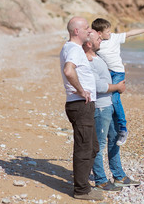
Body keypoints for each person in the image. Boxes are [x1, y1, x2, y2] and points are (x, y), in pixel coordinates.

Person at [83, 30, 141, 191]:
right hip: (101, 107)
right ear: (89, 43)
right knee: (99, 145)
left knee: (115, 139)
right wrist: (117, 87)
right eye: (98, 38)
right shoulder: (88, 61)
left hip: (110, 105)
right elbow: (96, 86)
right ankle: (101, 180)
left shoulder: (97, 57)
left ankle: (119, 176)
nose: (101, 39)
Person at [92, 18, 144, 146]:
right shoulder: (97, 42)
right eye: (107, 31)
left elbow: (130, 33)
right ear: (99, 33)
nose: (110, 32)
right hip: (105, 73)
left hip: (117, 72)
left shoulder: (114, 38)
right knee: (107, 100)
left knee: (115, 99)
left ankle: (123, 129)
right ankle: (110, 127)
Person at [59, 17, 103, 201]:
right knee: (85, 148)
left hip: (81, 105)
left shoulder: (70, 48)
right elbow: (69, 71)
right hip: (80, 104)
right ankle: (82, 190)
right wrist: (81, 90)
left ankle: (83, 182)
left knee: (92, 146)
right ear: (76, 31)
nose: (89, 31)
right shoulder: (74, 49)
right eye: (86, 28)